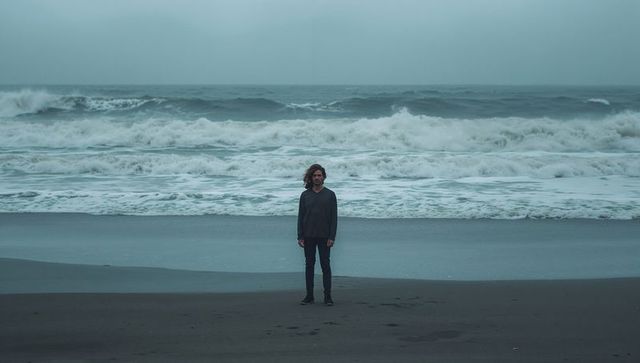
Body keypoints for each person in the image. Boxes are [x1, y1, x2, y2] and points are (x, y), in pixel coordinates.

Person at [297, 164, 337, 306]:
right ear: (311, 177)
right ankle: (309, 296)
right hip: (308, 236)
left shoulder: (330, 195)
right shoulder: (305, 195)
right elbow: (301, 216)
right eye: (314, 175)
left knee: (325, 265)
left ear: (324, 177)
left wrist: (332, 237)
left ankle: (328, 297)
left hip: (325, 237)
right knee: (309, 265)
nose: (317, 178)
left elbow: (334, 218)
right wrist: (300, 236)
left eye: (319, 175)